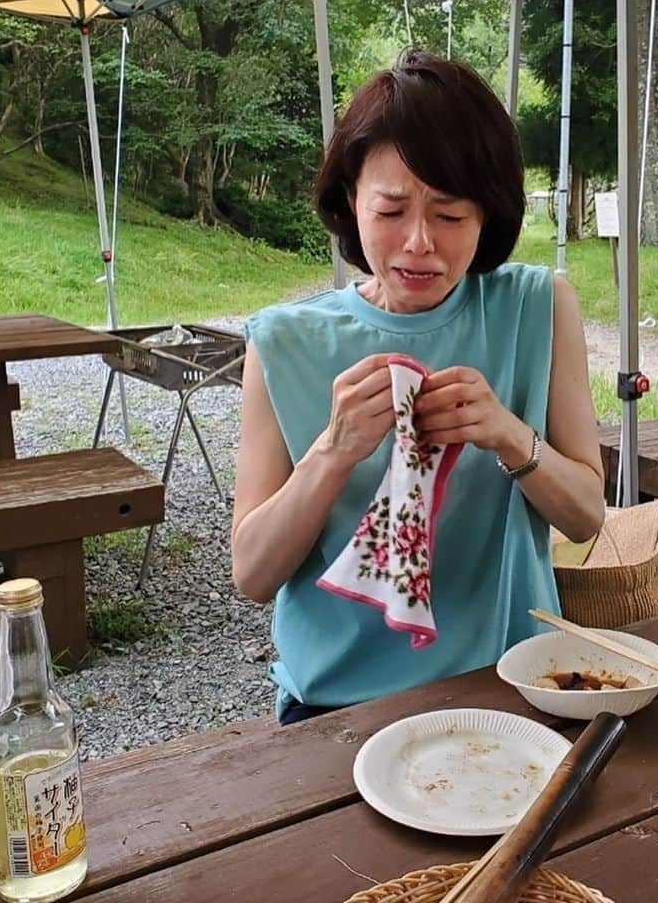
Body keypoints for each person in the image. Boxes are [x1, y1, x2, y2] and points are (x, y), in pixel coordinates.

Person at [231, 49, 604, 723]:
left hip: (508, 680)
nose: (420, 243)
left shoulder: (537, 308)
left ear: (488, 214)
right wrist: (334, 450)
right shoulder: (284, 343)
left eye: (452, 215)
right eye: (392, 210)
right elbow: (253, 575)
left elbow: (584, 517)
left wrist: (511, 436)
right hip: (337, 703)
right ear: (350, 201)